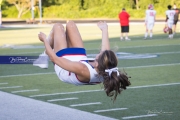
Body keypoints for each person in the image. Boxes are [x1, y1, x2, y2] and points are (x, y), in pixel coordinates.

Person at [33, 21, 131, 101]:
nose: (99, 52)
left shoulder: (84, 69)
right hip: (79, 58)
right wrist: (104, 29)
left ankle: (42, 59)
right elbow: (105, 51)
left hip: (63, 67)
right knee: (70, 24)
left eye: (99, 54)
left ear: (97, 63)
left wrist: (45, 40)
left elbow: (54, 58)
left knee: (58, 27)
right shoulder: (106, 68)